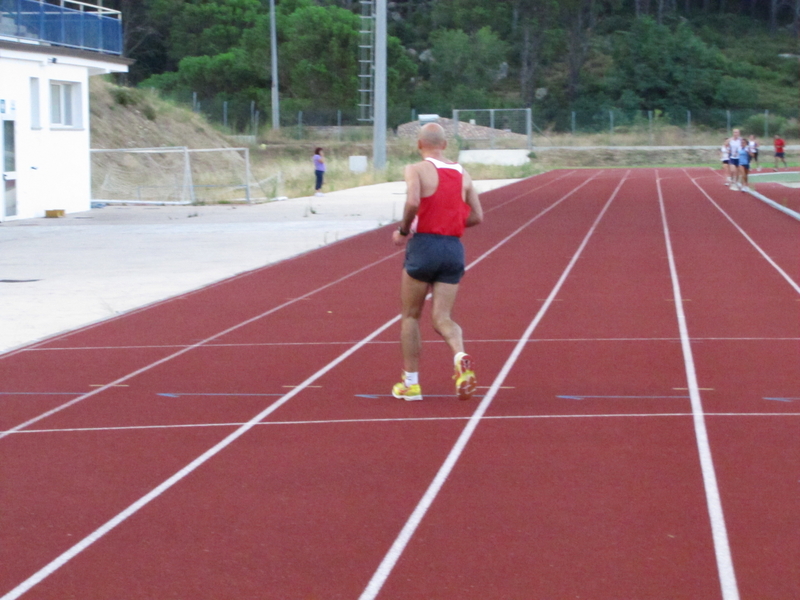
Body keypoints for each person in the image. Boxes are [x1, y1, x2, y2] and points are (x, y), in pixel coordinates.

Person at [390, 123, 484, 402]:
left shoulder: (416, 169)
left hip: (424, 245)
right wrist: (451, 221)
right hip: (453, 249)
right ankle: (460, 355)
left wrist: (404, 231)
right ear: (444, 144)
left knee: (410, 316)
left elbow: (412, 202)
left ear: (420, 145)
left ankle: (411, 383)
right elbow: (478, 216)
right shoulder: (462, 173)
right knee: (443, 318)